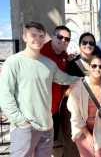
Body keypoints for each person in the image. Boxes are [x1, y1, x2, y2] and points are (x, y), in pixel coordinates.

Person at [0, 21, 79, 157]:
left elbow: (65, 78)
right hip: (25, 126)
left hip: (47, 125)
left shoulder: (49, 63)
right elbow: (5, 97)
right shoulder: (13, 63)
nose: (38, 39)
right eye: (33, 35)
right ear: (25, 37)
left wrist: (89, 79)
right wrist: (22, 123)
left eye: (41, 36)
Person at [67, 54, 101, 157]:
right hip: (81, 127)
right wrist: (88, 135)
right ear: (89, 66)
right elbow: (75, 115)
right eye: (94, 66)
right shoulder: (78, 85)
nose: (97, 69)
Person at [61, 32, 99, 157]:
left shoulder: (99, 63)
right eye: (84, 42)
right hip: (74, 111)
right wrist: (72, 91)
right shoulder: (72, 64)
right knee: (73, 147)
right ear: (79, 44)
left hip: (93, 112)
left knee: (92, 147)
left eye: (91, 42)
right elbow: (64, 91)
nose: (88, 45)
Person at [40, 25, 71, 143]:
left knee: (48, 144)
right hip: (39, 109)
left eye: (67, 39)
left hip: (54, 109)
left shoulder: (65, 56)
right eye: (60, 37)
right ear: (53, 36)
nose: (63, 41)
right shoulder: (40, 51)